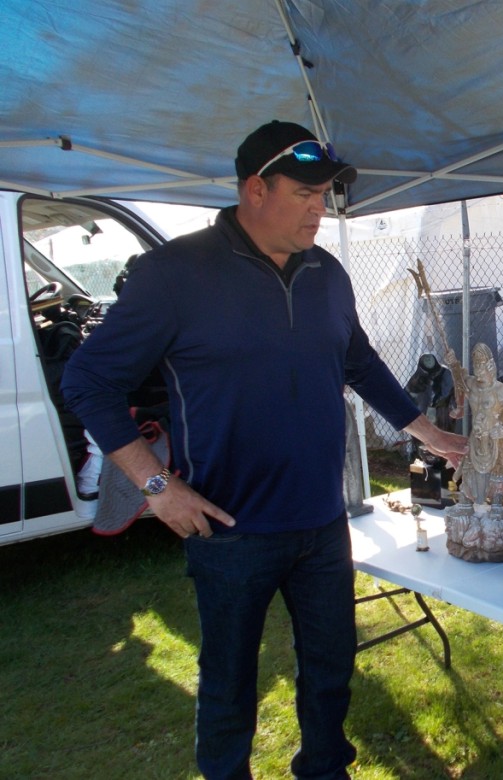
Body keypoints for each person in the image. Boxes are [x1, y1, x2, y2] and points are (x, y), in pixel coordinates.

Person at [61, 120, 467, 780]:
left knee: (331, 675)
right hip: (229, 532)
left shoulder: (328, 274)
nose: (321, 208)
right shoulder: (176, 274)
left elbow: (358, 362)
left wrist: (429, 433)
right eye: (306, 193)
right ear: (256, 188)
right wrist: (157, 487)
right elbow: (87, 380)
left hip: (321, 522)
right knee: (228, 688)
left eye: (327, 194)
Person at [447, 342, 503, 509]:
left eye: (481, 364)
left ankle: (496, 503)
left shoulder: (500, 390)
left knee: (497, 478)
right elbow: (460, 380)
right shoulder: (472, 385)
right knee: (470, 477)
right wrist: (453, 364)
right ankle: (470, 502)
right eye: (475, 364)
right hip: (476, 439)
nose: (477, 368)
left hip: (495, 441)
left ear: (490, 365)